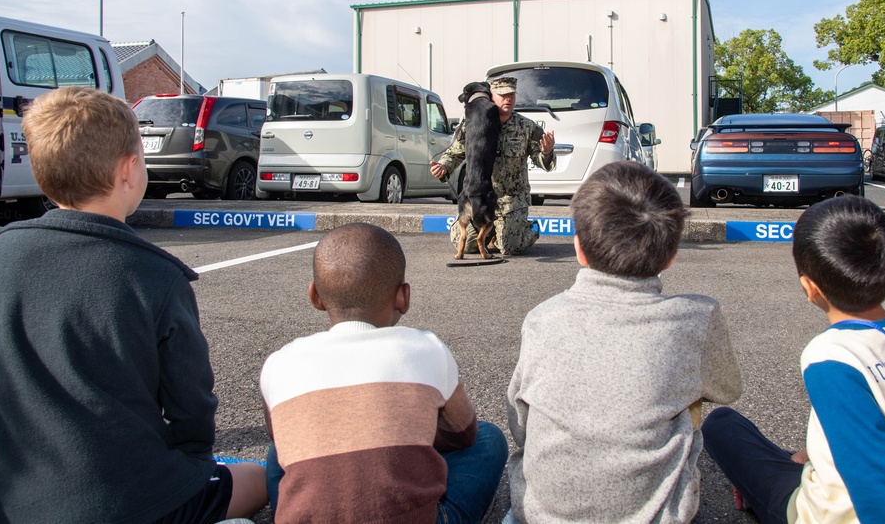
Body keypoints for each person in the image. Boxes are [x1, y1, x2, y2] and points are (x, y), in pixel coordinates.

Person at [0, 87, 267, 523]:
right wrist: (193, 464)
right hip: (131, 500)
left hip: (8, 499)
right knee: (259, 480)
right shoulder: (155, 275)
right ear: (130, 170)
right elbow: (191, 408)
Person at [505, 160, 742, 522]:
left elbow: (519, 420)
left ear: (578, 248)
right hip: (658, 515)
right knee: (714, 414)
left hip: (540, 513)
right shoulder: (696, 317)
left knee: (487, 444)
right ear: (672, 256)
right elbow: (726, 390)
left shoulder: (541, 318)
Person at [702, 196, 885, 523]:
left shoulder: (831, 357)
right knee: (790, 457)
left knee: (721, 424)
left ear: (809, 288)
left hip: (831, 513)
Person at [260, 222, 508, 523]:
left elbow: (283, 437)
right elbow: (464, 433)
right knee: (489, 438)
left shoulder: (280, 362)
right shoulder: (427, 348)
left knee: (281, 449)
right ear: (403, 297)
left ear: (315, 296)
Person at [430, 76, 555, 255]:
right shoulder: (472, 123)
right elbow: (455, 152)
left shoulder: (526, 127)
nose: (508, 99)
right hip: (479, 198)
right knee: (465, 244)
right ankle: (490, 233)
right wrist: (443, 166)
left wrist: (547, 152)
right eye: (503, 95)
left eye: (512, 95)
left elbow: (542, 161)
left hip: (510, 200)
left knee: (509, 247)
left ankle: (527, 229)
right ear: (491, 97)